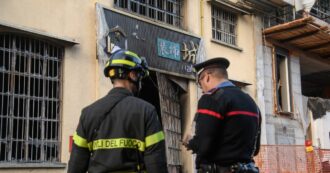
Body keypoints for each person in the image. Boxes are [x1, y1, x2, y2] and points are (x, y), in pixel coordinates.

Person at [68, 49, 167, 173]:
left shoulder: (87, 113)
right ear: (132, 75)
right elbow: (156, 165)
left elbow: (75, 167)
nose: (140, 82)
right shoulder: (147, 111)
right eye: (139, 76)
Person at [183, 57, 261, 173]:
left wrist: (191, 142)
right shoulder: (251, 102)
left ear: (207, 77)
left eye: (200, 84)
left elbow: (204, 144)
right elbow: (255, 149)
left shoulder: (212, 98)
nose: (202, 90)